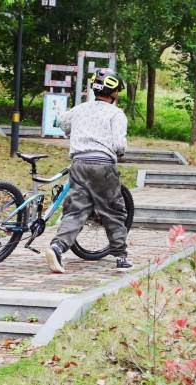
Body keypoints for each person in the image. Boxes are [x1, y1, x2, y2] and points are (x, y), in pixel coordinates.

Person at [44, 68, 131, 274]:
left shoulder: (80, 109)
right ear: (114, 93)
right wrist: (119, 151)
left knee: (76, 210)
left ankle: (57, 247)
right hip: (102, 166)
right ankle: (120, 257)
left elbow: (61, 122)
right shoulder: (116, 114)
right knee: (113, 210)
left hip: (79, 164)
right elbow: (119, 145)